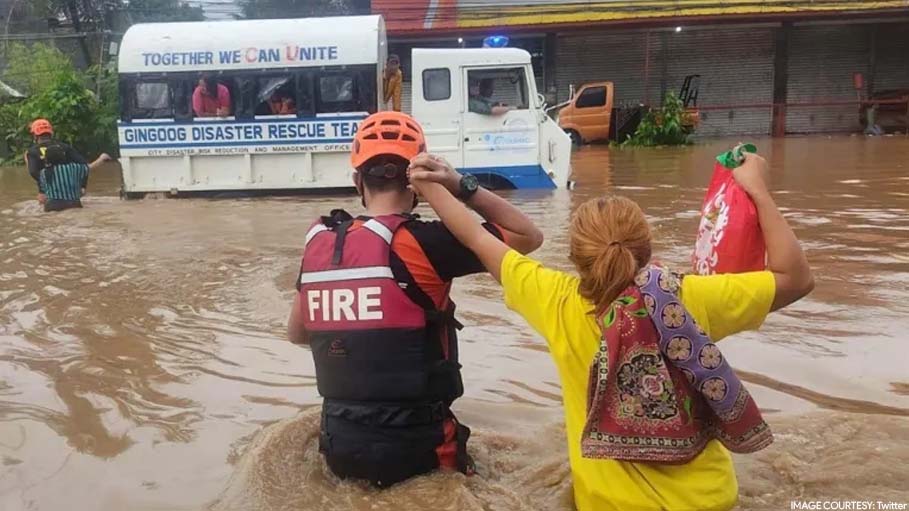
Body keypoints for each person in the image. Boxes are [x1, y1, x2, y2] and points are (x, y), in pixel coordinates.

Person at [408, 152, 814, 511]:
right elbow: (796, 279)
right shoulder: (690, 299)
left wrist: (435, 183)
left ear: (575, 256)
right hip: (709, 500)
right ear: (647, 249)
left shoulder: (556, 302)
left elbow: (476, 236)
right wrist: (758, 191)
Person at [286, 111, 543, 487]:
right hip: (421, 449)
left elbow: (297, 334)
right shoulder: (430, 243)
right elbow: (528, 236)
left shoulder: (320, 244)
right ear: (417, 183)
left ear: (358, 180)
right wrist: (458, 185)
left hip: (339, 446)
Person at [24, 119, 111, 212]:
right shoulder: (64, 147)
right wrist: (82, 186)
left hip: (49, 197)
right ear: (51, 133)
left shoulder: (33, 154)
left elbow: (33, 171)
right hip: (73, 198)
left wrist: (44, 189)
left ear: (35, 136)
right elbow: (85, 166)